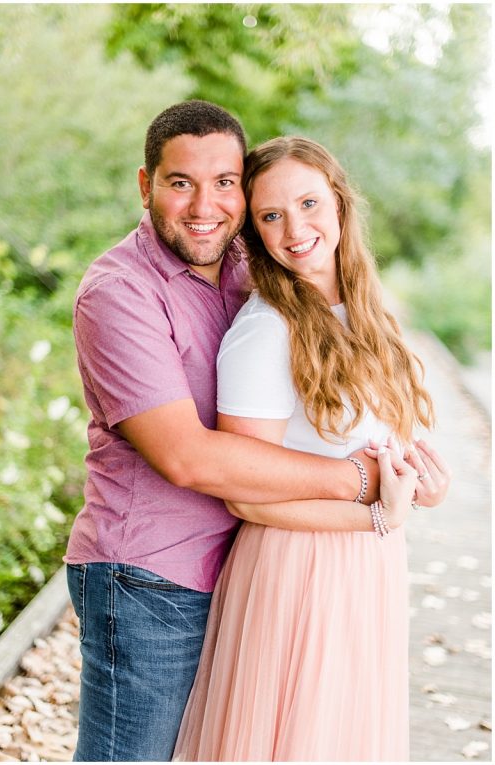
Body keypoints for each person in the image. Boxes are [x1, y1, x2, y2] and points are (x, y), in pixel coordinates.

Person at [66, 101, 449, 762]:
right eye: (179, 181)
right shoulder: (119, 292)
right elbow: (187, 457)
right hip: (151, 576)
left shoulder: (249, 271)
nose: (203, 204)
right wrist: (362, 485)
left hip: (244, 560)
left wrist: (410, 481)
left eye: (224, 184)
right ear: (145, 184)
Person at [172, 137, 450, 761]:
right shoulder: (266, 329)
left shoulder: (371, 314)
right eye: (271, 215)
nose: (295, 228)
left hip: (367, 565)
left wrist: (427, 481)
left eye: (308, 203)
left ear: (341, 204)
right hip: (298, 569)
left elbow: (387, 441)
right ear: (256, 230)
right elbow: (246, 496)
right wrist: (374, 513)